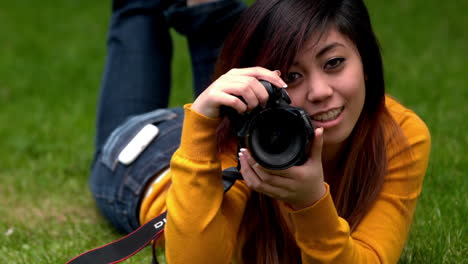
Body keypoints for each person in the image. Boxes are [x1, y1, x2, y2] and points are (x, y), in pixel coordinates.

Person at [91, 0, 431, 263]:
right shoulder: (248, 132)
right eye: (293, 76)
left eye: (334, 63)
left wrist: (310, 203)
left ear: (367, 63)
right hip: (144, 162)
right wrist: (201, 123)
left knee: (235, 52)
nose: (320, 92)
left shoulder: (398, 134)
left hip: (225, 128)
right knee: (139, 11)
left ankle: (208, 8)